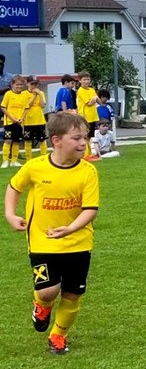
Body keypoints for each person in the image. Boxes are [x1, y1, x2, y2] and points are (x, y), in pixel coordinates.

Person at [4, 112, 100, 355]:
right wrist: (10, 214)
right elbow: (14, 187)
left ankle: (58, 335)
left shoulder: (88, 171)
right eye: (76, 138)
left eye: (85, 137)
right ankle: (42, 305)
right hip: (42, 241)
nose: (82, 143)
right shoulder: (35, 167)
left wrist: (70, 229)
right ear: (56, 141)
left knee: (73, 293)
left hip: (78, 242)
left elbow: (90, 210)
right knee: (48, 290)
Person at [1, 75, 30, 167]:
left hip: (19, 122)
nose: (19, 86)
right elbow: (3, 107)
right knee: (8, 140)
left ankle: (14, 160)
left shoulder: (24, 95)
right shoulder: (8, 94)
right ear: (12, 85)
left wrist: (22, 118)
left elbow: (26, 108)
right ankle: (5, 160)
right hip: (9, 122)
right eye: (17, 84)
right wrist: (12, 118)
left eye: (21, 85)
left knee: (17, 141)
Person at [76, 72, 100, 160]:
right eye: (84, 79)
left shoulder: (92, 90)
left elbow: (99, 101)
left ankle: (89, 154)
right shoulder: (81, 91)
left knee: (90, 137)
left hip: (93, 116)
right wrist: (94, 99)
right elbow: (89, 103)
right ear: (80, 81)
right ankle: (86, 155)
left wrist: (96, 98)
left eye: (88, 79)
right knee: (85, 136)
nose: (87, 81)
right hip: (85, 117)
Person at [24, 76, 47, 160]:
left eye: (36, 84)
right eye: (32, 84)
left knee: (42, 140)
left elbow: (43, 105)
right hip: (28, 121)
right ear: (27, 84)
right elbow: (27, 105)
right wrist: (34, 96)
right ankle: (28, 159)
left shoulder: (41, 93)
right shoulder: (24, 94)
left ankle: (43, 157)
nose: (34, 86)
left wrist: (40, 94)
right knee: (28, 141)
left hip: (39, 120)